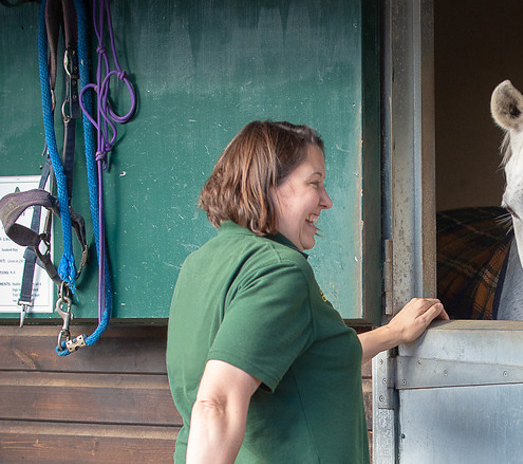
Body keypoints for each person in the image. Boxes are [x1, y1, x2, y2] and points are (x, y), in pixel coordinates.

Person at [166, 120, 447, 464]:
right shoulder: (280, 269)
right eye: (314, 183)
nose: (326, 201)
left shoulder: (200, 264)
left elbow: (307, 360)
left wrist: (393, 333)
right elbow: (217, 403)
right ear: (266, 185)